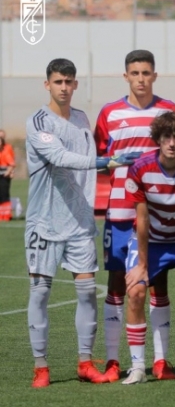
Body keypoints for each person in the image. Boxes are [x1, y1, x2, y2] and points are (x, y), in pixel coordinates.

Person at [25, 58, 138, 388]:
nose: (63, 87)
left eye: (69, 82)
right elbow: (60, 157)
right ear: (47, 84)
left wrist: (108, 164)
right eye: (58, 81)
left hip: (78, 221)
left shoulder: (82, 119)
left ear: (75, 85)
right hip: (44, 222)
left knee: (88, 293)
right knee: (39, 293)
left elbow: (84, 165)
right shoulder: (38, 121)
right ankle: (41, 367)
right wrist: (103, 162)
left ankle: (85, 362)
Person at [95, 50, 175, 382]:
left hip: (159, 214)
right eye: (135, 73)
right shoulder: (110, 113)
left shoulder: (169, 111)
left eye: (146, 73)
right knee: (118, 284)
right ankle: (114, 360)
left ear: (155, 76)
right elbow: (100, 160)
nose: (141, 79)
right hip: (118, 213)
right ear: (126, 76)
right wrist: (117, 164)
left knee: (157, 284)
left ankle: (160, 361)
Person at [122, 110, 175, 384]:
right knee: (135, 292)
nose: (172, 142)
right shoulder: (140, 168)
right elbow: (142, 218)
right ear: (157, 139)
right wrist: (143, 265)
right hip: (151, 241)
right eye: (166, 136)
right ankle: (137, 367)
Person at [0, 129, 16, 221]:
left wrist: (11, 172)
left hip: (4, 174)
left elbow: (11, 161)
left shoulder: (7, 148)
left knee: (4, 194)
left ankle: (5, 215)